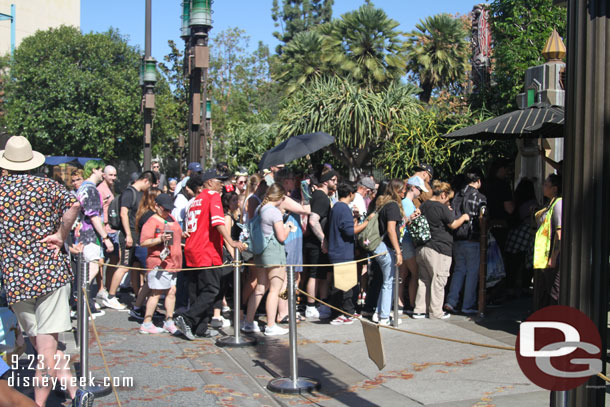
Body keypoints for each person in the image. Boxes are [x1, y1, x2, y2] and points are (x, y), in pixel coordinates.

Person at [0, 136, 93, 407]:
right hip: (49, 271)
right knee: (47, 347)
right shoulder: (47, 186)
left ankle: (75, 393)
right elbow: (76, 204)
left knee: (41, 346)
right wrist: (61, 235)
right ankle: (41, 404)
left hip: (16, 277)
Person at [174, 169, 245, 340]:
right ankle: (188, 318)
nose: (222, 185)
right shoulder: (212, 196)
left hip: (192, 249)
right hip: (206, 250)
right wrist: (231, 241)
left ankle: (200, 328)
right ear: (208, 183)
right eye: (218, 181)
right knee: (212, 289)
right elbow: (218, 222)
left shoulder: (193, 201)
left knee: (197, 291)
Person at [413, 181, 469, 320]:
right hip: (439, 248)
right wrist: (464, 217)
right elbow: (454, 224)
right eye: (448, 198)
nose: (447, 201)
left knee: (424, 280)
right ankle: (435, 312)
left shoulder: (424, 205)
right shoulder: (441, 208)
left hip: (422, 247)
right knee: (439, 280)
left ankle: (420, 309)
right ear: (443, 195)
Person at [243, 184, 292, 336]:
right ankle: (271, 325)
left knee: (260, 287)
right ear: (279, 197)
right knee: (275, 289)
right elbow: (281, 236)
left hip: (260, 252)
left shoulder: (260, 209)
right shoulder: (274, 212)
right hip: (273, 252)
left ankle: (249, 322)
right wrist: (288, 226)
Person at [104, 171, 156, 310]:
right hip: (129, 234)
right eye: (149, 184)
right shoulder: (129, 192)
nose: (149, 187)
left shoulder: (138, 193)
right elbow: (123, 213)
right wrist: (128, 234)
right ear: (146, 181)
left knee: (135, 265)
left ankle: (137, 295)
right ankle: (111, 296)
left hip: (136, 234)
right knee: (124, 265)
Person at [138, 194, 183, 334]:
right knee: (156, 292)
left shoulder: (170, 218)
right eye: (165, 209)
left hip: (173, 262)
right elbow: (143, 242)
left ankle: (169, 320)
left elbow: (175, 233)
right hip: (159, 262)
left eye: (170, 210)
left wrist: (183, 235)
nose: (168, 212)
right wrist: (159, 239)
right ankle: (147, 322)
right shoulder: (152, 221)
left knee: (172, 291)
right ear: (157, 206)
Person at [444, 170, 487, 315]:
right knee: (472, 272)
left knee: (459, 270)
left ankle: (451, 301)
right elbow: (483, 218)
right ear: (478, 181)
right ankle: (467, 305)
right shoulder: (479, 197)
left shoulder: (457, 195)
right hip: (472, 238)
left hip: (457, 237)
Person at [327, 181, 369, 325]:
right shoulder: (343, 208)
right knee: (346, 285)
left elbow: (346, 227)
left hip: (336, 250)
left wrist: (355, 219)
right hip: (343, 252)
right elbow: (349, 231)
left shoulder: (335, 208)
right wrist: (366, 223)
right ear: (350, 194)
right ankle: (346, 313)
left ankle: (338, 311)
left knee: (338, 284)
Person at [76, 160, 113, 318]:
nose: (102, 174)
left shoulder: (83, 187)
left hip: (84, 234)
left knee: (88, 269)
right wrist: (106, 237)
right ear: (93, 170)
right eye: (100, 170)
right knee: (91, 269)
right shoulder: (90, 189)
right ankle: (80, 304)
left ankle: (83, 304)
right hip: (91, 235)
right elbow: (93, 216)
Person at [303, 169, 338, 320]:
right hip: (316, 244)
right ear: (326, 181)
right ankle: (310, 306)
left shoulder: (322, 196)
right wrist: (323, 239)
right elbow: (313, 220)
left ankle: (322, 304)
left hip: (319, 243)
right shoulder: (321, 197)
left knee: (322, 275)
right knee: (315, 274)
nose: (336, 183)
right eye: (334, 180)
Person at [370, 179, 405, 325]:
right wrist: (398, 251)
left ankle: (379, 313)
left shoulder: (382, 204)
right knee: (388, 282)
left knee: (386, 281)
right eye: (403, 189)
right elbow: (391, 230)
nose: (404, 192)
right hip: (386, 248)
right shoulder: (392, 206)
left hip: (379, 247)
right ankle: (384, 316)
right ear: (397, 190)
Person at [532, 174, 562, 311]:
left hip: (551, 255)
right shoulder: (550, 204)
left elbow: (559, 232)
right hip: (544, 255)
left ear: (554, 188)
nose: (543, 186)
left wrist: (554, 257)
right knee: (545, 289)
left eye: (546, 184)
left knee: (554, 290)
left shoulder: (558, 204)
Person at [398, 176, 426, 313]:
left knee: (402, 275)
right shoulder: (407, 203)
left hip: (403, 243)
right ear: (413, 188)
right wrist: (414, 217)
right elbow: (406, 223)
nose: (420, 192)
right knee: (415, 274)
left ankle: (400, 303)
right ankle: (413, 303)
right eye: (419, 189)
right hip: (407, 242)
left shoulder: (404, 202)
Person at [96, 165, 120, 305]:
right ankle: (101, 289)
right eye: (110, 175)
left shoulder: (111, 189)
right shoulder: (100, 190)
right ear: (104, 175)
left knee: (114, 258)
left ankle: (108, 287)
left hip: (112, 228)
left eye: (115, 175)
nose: (113, 178)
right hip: (104, 228)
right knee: (100, 261)